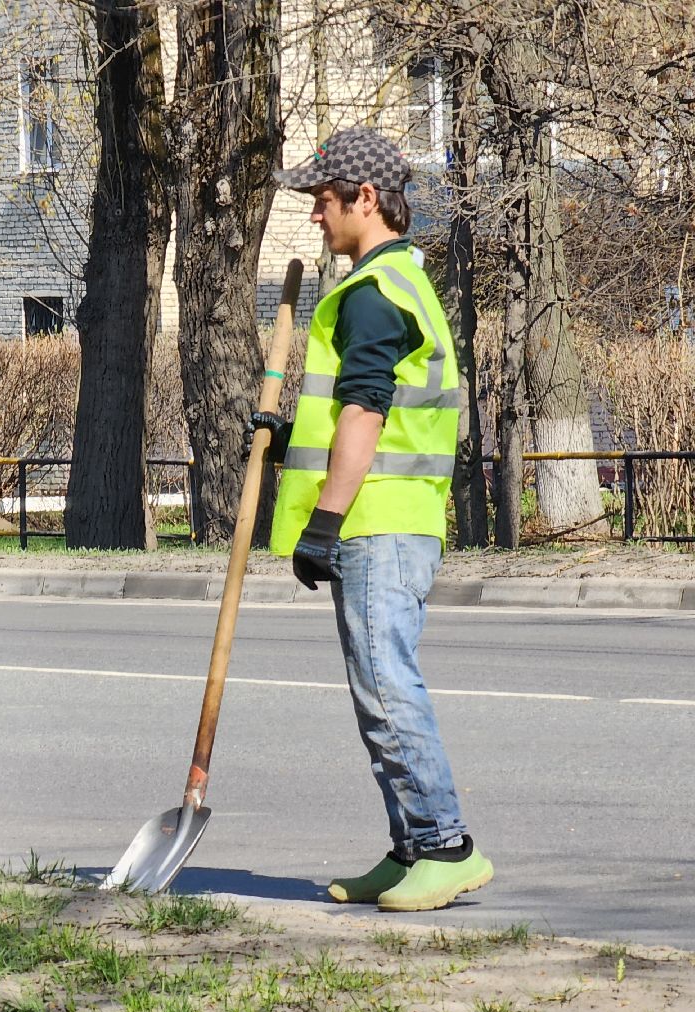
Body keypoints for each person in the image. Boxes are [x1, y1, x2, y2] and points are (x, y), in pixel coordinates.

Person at [250, 127, 493, 912]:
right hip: (393, 517)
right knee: (374, 692)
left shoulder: (373, 294)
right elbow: (349, 415)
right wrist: (290, 439)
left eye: (321, 202)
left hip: (376, 523)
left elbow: (366, 412)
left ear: (364, 200)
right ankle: (411, 847)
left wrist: (323, 521)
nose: (314, 217)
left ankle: (448, 845)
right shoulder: (398, 283)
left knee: (387, 688)